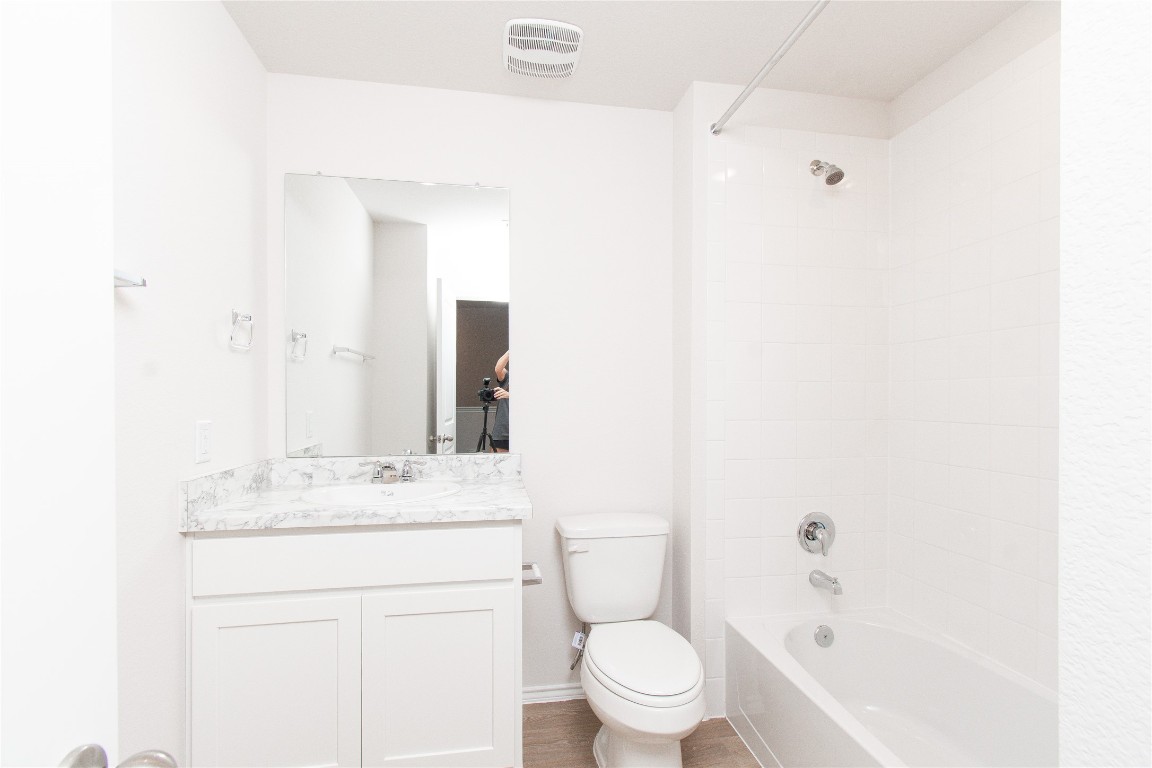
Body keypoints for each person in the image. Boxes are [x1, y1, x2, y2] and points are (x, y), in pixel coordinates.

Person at [491, 350, 510, 452]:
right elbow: (498, 369)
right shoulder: (508, 378)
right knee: (496, 466)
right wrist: (511, 350)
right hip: (502, 431)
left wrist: (509, 395)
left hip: (523, 432)